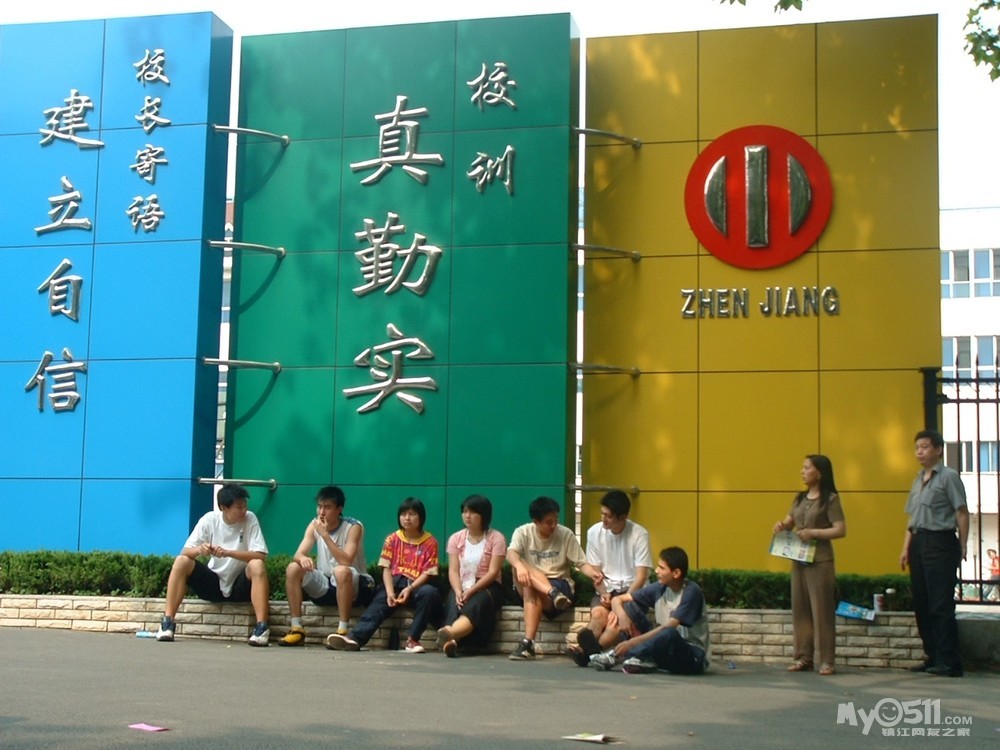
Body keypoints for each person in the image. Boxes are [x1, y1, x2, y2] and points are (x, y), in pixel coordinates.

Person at [156, 483, 270, 646]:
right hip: (213, 584)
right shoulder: (209, 519)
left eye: (245, 505)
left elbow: (260, 555)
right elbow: (185, 551)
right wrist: (200, 550)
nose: (244, 510)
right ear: (223, 508)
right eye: (239, 507)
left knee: (257, 564)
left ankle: (261, 628)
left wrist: (228, 552)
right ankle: (167, 623)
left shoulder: (250, 519)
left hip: (240, 585)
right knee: (182, 561)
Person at [326, 497, 443, 653]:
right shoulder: (392, 539)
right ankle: (355, 639)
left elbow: (428, 572)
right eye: (403, 514)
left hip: (416, 586)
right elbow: (386, 568)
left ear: (421, 517)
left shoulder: (430, 542)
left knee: (430, 593)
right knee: (378, 604)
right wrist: (389, 592)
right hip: (393, 584)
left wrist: (410, 588)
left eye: (412, 514)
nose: (407, 518)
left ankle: (413, 640)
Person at [900, 429, 969, 677]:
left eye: (925, 447)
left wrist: (963, 544)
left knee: (940, 603)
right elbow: (912, 519)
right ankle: (932, 656)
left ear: (938, 449)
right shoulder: (918, 479)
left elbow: (961, 511)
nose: (920, 452)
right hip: (918, 541)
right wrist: (905, 548)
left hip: (940, 542)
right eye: (917, 447)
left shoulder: (948, 477)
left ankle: (950, 661)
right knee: (922, 602)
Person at [772, 454, 847, 676]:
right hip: (799, 558)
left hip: (820, 560)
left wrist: (814, 533)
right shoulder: (799, 498)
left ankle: (827, 660)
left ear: (819, 473)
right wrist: (781, 526)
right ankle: (803, 657)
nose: (802, 471)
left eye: (807, 468)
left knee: (822, 610)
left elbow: (840, 529)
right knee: (801, 609)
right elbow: (789, 521)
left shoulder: (830, 500)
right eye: (803, 467)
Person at [506, 496, 604, 660]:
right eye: (549, 522)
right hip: (541, 590)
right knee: (519, 565)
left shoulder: (565, 534)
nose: (554, 525)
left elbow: (581, 563)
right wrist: (520, 566)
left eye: (556, 520)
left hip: (560, 585)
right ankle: (551, 592)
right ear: (536, 522)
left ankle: (527, 643)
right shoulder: (523, 532)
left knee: (529, 583)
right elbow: (511, 553)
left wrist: (593, 574)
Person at [589, 546, 710, 675]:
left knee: (669, 633)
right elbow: (617, 599)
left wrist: (631, 643)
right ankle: (642, 659)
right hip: (664, 650)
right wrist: (623, 617)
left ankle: (618, 656)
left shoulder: (691, 592)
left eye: (662, 568)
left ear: (676, 573)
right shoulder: (659, 588)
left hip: (693, 656)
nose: (656, 571)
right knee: (631, 609)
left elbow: (669, 627)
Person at [279, 485, 375, 646]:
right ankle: (296, 629)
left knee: (341, 571)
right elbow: (298, 554)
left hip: (356, 586)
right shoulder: (314, 525)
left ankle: (342, 631)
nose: (321, 512)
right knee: (293, 568)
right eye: (319, 506)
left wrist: (325, 535)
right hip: (327, 584)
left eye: (327, 507)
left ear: (339, 509)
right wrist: (303, 558)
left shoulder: (353, 527)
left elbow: (346, 561)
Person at [570, 489, 652, 666]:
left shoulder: (639, 535)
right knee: (598, 615)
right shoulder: (594, 533)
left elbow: (641, 577)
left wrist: (619, 604)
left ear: (623, 517)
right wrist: (604, 593)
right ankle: (593, 655)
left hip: (632, 593)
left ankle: (587, 653)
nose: (603, 519)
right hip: (607, 589)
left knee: (615, 623)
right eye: (602, 513)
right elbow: (596, 573)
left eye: (608, 516)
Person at [435, 494, 507, 657]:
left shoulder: (497, 538)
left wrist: (472, 591)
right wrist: (458, 590)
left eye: (473, 512)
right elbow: (453, 571)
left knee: (475, 604)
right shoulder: (456, 538)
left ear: (484, 515)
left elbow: (493, 572)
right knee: (454, 603)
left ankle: (450, 634)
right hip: (462, 583)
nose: (467, 516)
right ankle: (450, 643)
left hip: (488, 585)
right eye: (465, 511)